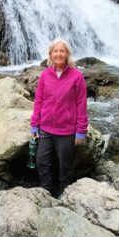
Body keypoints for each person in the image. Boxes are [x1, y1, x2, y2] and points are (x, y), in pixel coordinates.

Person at [30, 39, 89, 199]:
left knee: (65, 166)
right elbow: (39, 100)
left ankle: (65, 194)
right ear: (50, 54)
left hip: (67, 130)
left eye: (62, 51)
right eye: (55, 51)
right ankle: (47, 192)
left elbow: (81, 104)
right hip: (46, 128)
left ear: (67, 54)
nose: (59, 54)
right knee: (42, 161)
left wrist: (81, 131)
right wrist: (34, 125)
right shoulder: (45, 75)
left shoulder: (77, 76)